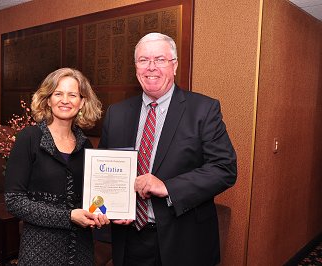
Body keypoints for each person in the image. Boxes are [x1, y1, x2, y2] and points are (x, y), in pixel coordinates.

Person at [98, 33, 237, 266]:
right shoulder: (117, 113)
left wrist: (167, 187)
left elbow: (225, 169)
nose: (151, 67)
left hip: (184, 241)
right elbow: (103, 173)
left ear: (174, 66)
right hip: (129, 239)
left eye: (160, 59)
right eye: (143, 60)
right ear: (136, 68)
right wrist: (108, 207)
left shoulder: (203, 109)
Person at [5, 68, 110, 265]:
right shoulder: (29, 138)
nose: (65, 100)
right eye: (58, 93)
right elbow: (14, 201)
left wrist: (102, 211)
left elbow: (93, 197)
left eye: (73, 95)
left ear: (82, 102)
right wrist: (68, 216)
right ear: (48, 99)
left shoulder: (85, 145)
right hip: (39, 250)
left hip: (81, 250)